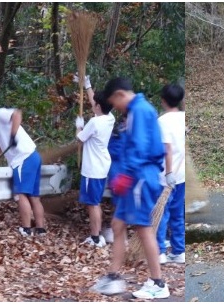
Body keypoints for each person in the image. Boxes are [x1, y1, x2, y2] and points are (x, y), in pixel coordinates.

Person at [91, 77, 170, 299]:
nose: (115, 108)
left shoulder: (141, 111)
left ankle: (158, 283)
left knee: (143, 228)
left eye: (114, 103)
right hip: (134, 178)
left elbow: (141, 149)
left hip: (140, 178)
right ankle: (113, 277)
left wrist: (126, 176)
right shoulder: (135, 111)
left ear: (119, 95)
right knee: (117, 225)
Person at [0, 94, 44, 237]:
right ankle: (40, 229)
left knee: (21, 194)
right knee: (34, 196)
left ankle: (26, 229)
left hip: (23, 157)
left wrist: (13, 136)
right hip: (32, 156)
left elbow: (17, 114)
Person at [74, 79, 114, 247]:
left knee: (93, 204)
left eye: (94, 104)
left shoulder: (94, 122)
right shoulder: (109, 117)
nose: (92, 105)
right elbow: (95, 102)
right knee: (95, 202)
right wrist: (87, 85)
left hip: (92, 169)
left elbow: (79, 138)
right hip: (102, 165)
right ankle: (96, 235)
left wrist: (79, 126)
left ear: (98, 107)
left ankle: (95, 237)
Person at [156, 82, 188, 264]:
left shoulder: (162, 121)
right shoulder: (184, 117)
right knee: (177, 213)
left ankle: (160, 251)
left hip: (167, 174)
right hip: (181, 173)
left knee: (162, 212)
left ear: (163, 101)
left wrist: (168, 173)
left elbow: (166, 148)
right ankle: (178, 250)